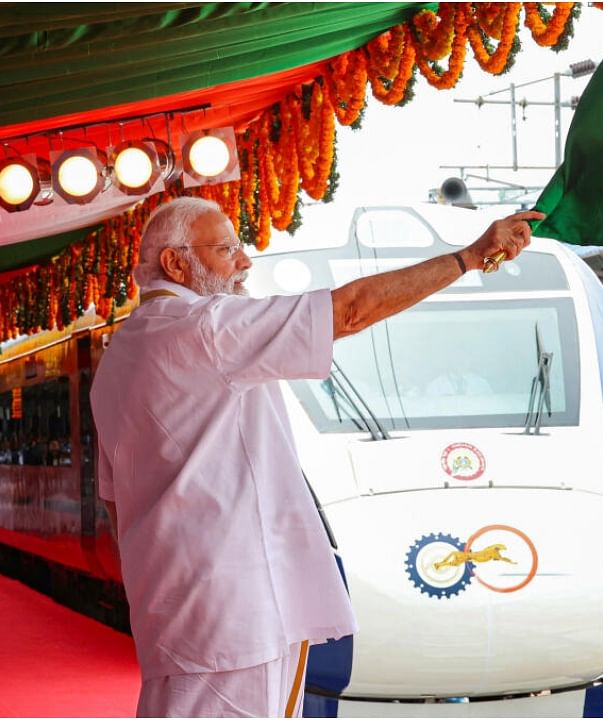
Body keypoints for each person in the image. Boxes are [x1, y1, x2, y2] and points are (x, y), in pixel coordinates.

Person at [90, 196, 539, 718]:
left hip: (175, 602)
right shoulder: (207, 326)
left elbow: (114, 503)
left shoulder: (117, 360)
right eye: (226, 250)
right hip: (237, 609)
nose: (244, 263)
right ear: (174, 263)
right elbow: (350, 310)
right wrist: (469, 256)